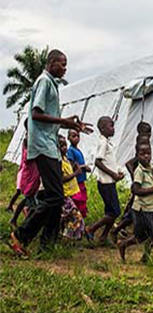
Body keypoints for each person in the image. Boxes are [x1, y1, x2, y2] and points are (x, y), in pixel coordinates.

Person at [8, 50, 93, 257]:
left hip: (50, 146)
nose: (65, 69)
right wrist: (64, 122)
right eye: (62, 64)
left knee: (56, 194)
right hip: (43, 147)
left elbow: (48, 118)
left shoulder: (51, 84)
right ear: (51, 63)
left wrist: (67, 120)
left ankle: (48, 243)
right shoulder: (44, 82)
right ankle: (21, 235)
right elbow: (36, 114)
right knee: (55, 196)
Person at [109, 122, 153, 244]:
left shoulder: (144, 148)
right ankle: (118, 230)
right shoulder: (141, 148)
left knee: (133, 214)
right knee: (132, 214)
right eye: (147, 133)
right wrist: (135, 178)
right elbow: (129, 163)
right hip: (140, 187)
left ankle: (146, 234)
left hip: (144, 189)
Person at [117, 143, 153, 263]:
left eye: (148, 153)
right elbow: (136, 190)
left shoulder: (150, 168)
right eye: (142, 154)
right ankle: (145, 257)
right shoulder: (139, 171)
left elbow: (150, 182)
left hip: (150, 207)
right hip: (142, 208)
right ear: (137, 156)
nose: (146, 156)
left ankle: (124, 245)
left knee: (143, 236)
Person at [85, 116, 126, 244]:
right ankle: (91, 229)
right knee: (115, 211)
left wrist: (117, 172)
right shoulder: (103, 143)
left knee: (111, 211)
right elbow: (98, 162)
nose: (113, 129)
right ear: (102, 128)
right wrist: (113, 174)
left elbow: (108, 162)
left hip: (109, 182)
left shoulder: (107, 142)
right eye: (111, 126)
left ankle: (103, 236)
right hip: (105, 183)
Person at [8, 121, 41, 227]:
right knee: (31, 199)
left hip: (33, 173)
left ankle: (18, 218)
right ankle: (26, 223)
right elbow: (28, 156)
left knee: (28, 198)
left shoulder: (34, 137)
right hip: (29, 174)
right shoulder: (28, 139)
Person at [58, 134, 90, 242]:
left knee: (66, 218)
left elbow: (71, 169)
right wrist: (75, 173)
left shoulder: (65, 159)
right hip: (65, 195)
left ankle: (65, 236)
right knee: (76, 217)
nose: (64, 148)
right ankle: (67, 238)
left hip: (70, 193)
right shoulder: (59, 162)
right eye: (61, 146)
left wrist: (77, 168)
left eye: (65, 145)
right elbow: (62, 179)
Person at [66, 128, 90, 218]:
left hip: (81, 180)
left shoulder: (78, 150)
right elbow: (71, 166)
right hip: (76, 181)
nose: (76, 138)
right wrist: (83, 167)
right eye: (73, 136)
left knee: (83, 200)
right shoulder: (70, 151)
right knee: (78, 200)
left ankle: (81, 221)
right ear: (68, 138)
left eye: (78, 136)